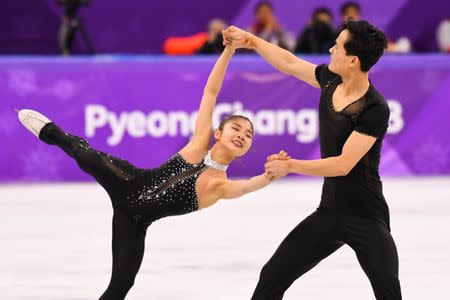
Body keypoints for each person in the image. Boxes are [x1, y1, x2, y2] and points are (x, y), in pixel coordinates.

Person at [17, 45, 288, 299]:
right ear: (219, 133)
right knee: (86, 155)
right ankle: (52, 132)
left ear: (248, 147)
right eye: (237, 128)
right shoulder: (197, 145)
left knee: (122, 284)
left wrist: (269, 176)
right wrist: (229, 50)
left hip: (134, 221)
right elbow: (211, 92)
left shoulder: (219, 186)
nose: (242, 135)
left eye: (248, 135)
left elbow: (249, 185)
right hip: (130, 180)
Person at [223, 19, 402, 299]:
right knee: (272, 275)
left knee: (388, 291)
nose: (331, 49)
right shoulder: (331, 80)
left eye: (337, 46)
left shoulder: (374, 108)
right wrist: (252, 40)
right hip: (330, 211)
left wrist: (291, 165)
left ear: (353, 60)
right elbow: (290, 63)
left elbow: (343, 164)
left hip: (367, 217)